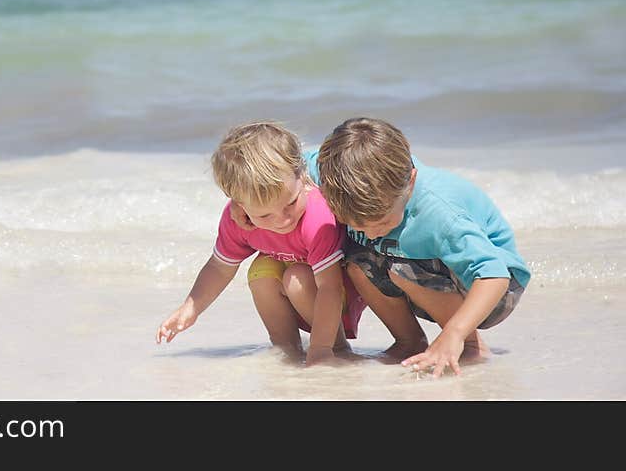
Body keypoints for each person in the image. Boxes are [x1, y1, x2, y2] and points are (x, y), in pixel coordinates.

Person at [312, 116, 531, 377]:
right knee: (359, 260)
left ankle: (470, 346)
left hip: (492, 290)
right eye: (357, 226)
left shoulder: (439, 214)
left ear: (411, 182)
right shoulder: (332, 175)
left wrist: (455, 333)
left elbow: (494, 275)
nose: (370, 233)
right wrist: (249, 206)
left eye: (382, 222)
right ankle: (409, 342)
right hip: (419, 263)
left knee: (399, 270)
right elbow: (282, 164)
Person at [155, 121, 366, 366]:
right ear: (239, 205)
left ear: (302, 175)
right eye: (265, 216)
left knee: (296, 278)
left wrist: (320, 348)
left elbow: (329, 287)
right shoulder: (239, 220)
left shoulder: (317, 217)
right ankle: (285, 349)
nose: (283, 220)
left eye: (291, 203)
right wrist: (191, 307)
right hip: (303, 284)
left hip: (336, 291)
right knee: (260, 272)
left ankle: (335, 347)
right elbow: (220, 268)